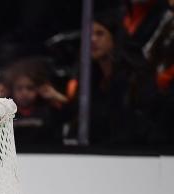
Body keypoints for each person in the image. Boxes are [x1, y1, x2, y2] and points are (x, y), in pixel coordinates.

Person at [65, 10, 159, 146]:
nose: (92, 39)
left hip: (134, 150)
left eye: (99, 34)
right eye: (89, 35)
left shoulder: (135, 74)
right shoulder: (89, 77)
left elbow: (142, 118)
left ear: (114, 38)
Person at [3, 59, 68, 146]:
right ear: (11, 90)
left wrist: (55, 95)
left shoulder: (49, 111)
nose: (24, 93)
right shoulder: (4, 113)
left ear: (38, 89)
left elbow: (73, 114)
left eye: (30, 88)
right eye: (19, 88)